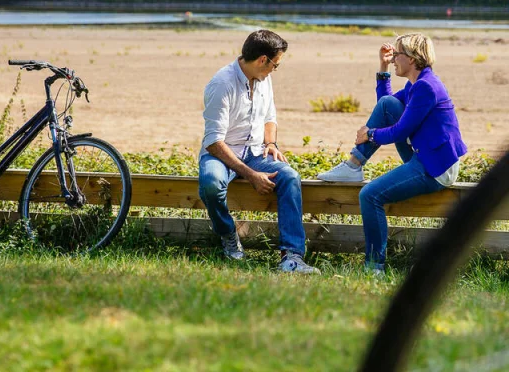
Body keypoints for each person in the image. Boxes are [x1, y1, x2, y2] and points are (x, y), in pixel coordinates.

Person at [317, 32, 467, 272]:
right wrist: (383, 66)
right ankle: (354, 165)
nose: (394, 57)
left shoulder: (426, 87)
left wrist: (370, 134)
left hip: (436, 167)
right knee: (388, 105)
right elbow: (384, 107)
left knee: (370, 196)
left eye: (397, 54)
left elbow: (398, 131)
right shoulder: (416, 84)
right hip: (425, 155)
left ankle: (374, 267)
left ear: (414, 58)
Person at [198, 29, 320, 274]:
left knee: (290, 177)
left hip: (255, 152)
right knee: (211, 184)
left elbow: (269, 116)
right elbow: (213, 141)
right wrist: (252, 175)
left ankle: (292, 257)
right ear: (262, 60)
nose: (275, 70)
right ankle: (228, 234)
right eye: (275, 65)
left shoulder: (264, 78)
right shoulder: (222, 83)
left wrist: (271, 144)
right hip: (220, 154)